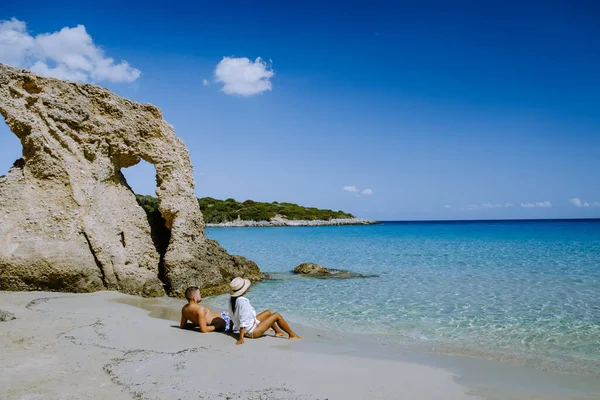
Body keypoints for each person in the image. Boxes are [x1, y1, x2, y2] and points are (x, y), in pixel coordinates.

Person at [229, 277, 302, 345]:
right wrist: (241, 338)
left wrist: (230, 329)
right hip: (252, 332)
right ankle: (292, 335)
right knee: (276, 315)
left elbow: (232, 316)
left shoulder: (231, 300)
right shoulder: (243, 301)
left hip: (249, 328)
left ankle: (277, 331)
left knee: (268, 312)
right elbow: (243, 321)